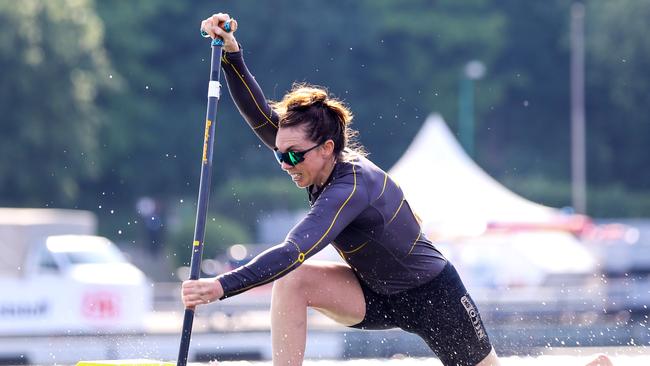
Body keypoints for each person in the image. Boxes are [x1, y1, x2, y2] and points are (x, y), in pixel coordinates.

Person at [183, 13, 613, 366]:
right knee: (293, 284)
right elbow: (263, 117)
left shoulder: (350, 187)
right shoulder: (308, 155)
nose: (284, 164)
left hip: (432, 294)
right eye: (279, 155)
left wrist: (220, 286)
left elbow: (296, 248)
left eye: (293, 156)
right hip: (373, 291)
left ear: (327, 148)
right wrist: (232, 58)